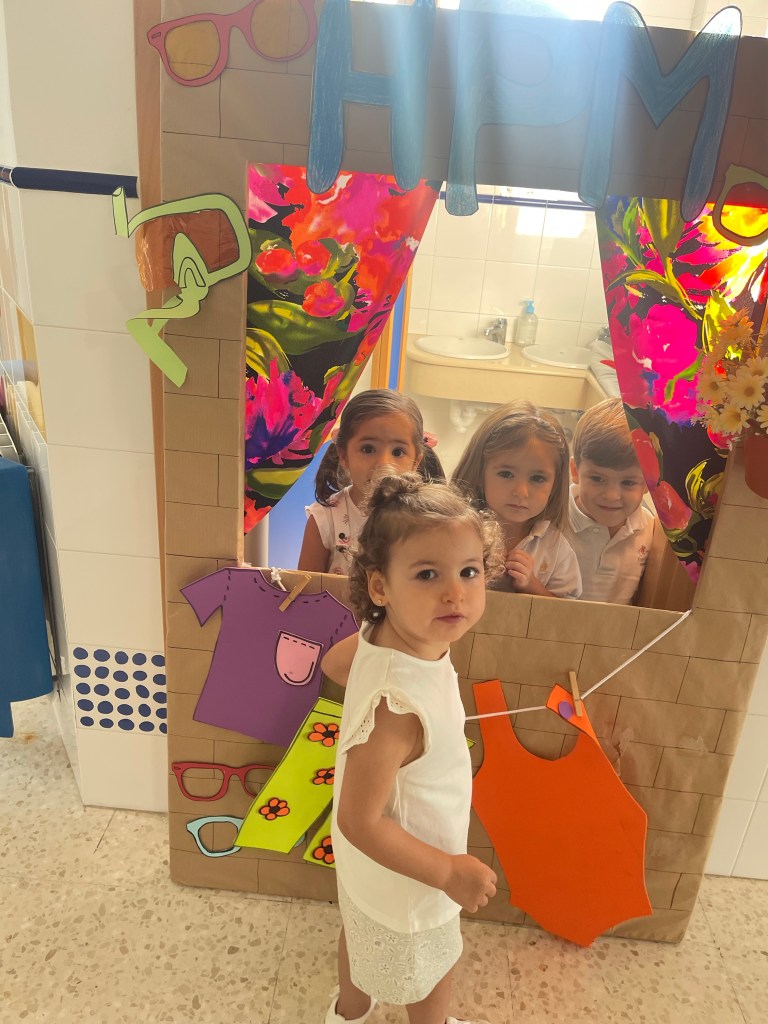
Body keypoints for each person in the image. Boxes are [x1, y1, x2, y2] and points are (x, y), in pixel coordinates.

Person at [321, 474, 502, 1024]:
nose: (455, 593)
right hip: (412, 871)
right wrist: (446, 872)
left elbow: (333, 664)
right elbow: (360, 819)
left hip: (369, 869)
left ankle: (348, 1013)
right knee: (433, 964)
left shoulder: (385, 635)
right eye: (427, 574)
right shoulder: (396, 709)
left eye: (469, 571)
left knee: (360, 928)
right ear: (380, 587)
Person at [298, 390, 444, 574]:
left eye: (398, 452)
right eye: (368, 449)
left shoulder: (425, 520)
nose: (383, 463)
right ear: (344, 456)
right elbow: (305, 587)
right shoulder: (325, 519)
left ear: (415, 462)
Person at [451, 401, 581, 598]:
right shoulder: (455, 533)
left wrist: (531, 585)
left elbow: (570, 611)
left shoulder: (554, 547)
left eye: (537, 478)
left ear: (555, 485)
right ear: (479, 474)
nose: (521, 492)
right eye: (506, 474)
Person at [565, 397, 654, 604]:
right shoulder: (553, 519)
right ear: (575, 471)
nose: (612, 495)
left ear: (648, 482)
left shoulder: (650, 529)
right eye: (597, 479)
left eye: (628, 482)